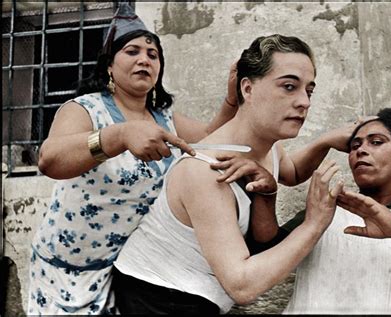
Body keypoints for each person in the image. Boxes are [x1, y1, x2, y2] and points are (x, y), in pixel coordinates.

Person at [111, 33, 355, 315]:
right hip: (153, 302)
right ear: (248, 89)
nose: (304, 102)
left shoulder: (269, 147)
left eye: (308, 91)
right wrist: (314, 223)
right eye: (289, 86)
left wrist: (326, 141)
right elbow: (242, 287)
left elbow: (293, 171)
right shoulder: (206, 171)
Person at [27, 3, 239, 315]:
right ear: (109, 65)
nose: (144, 59)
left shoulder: (165, 119)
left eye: (152, 55)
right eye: (132, 51)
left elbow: (211, 139)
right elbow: (50, 159)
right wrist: (120, 136)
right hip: (63, 272)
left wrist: (233, 98)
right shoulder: (86, 109)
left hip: (122, 273)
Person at [243, 104, 391, 314]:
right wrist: (266, 195)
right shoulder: (327, 210)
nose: (360, 150)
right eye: (355, 145)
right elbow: (266, 250)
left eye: (376, 142)